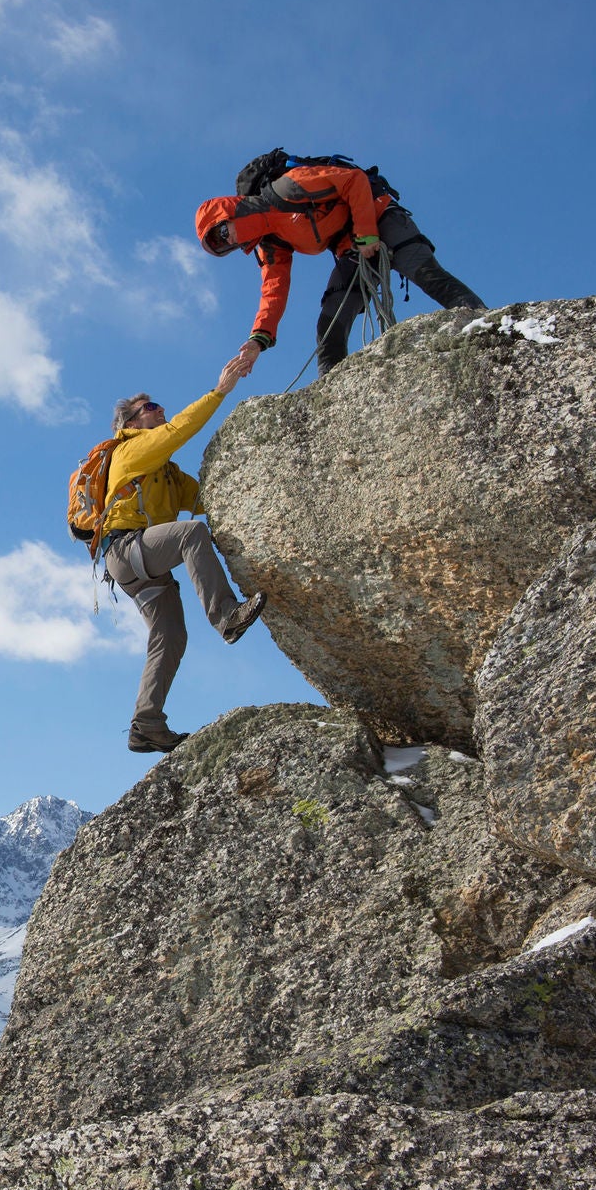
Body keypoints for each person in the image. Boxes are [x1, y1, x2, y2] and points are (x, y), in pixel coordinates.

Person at [102, 358, 266, 753]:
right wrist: (220, 391)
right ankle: (226, 616)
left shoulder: (169, 474)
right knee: (191, 533)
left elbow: (208, 500)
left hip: (140, 563)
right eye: (149, 408)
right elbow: (178, 432)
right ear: (132, 424)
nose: (159, 409)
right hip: (127, 550)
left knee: (170, 635)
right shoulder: (131, 451)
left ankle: (146, 726)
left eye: (157, 404)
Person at [194, 157, 484, 378]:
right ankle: (333, 391)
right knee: (330, 322)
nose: (229, 241)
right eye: (223, 246)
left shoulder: (287, 188)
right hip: (352, 247)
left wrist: (368, 232)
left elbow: (353, 180)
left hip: (378, 215)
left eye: (221, 234)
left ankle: (487, 326)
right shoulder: (270, 244)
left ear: (227, 213)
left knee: (424, 272)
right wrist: (258, 339)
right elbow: (274, 291)